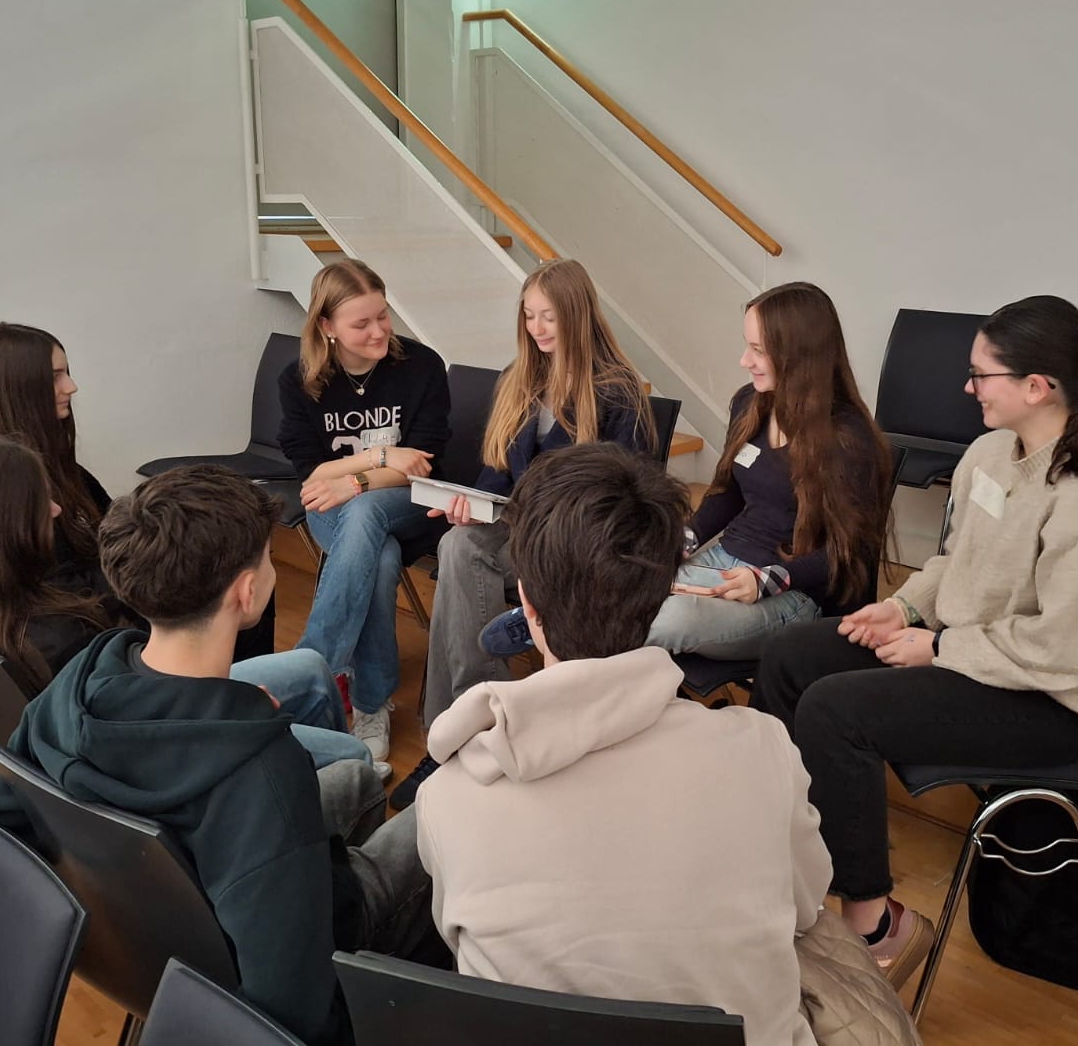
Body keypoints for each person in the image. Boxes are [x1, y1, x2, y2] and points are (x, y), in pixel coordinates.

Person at [751, 294, 1078, 988]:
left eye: (981, 375)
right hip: (976, 656)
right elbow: (955, 561)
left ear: (1037, 386)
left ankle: (875, 927)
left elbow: (1069, 654)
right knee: (792, 656)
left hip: (1054, 702)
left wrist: (938, 649)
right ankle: (782, 864)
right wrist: (903, 608)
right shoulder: (991, 453)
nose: (969, 389)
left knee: (836, 712)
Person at [0, 465, 437, 1045]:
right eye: (268, 559)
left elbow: (6, 819)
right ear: (246, 592)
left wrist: (235, 708)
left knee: (355, 776)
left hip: (141, 937)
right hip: (282, 948)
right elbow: (292, 1007)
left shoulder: (81, 676)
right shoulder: (263, 777)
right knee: (442, 811)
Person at [415, 444, 832, 1046]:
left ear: (526, 603)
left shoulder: (447, 798)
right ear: (665, 593)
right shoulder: (764, 749)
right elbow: (807, 905)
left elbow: (459, 947)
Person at [0, 436, 372, 772]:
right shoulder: (60, 639)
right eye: (40, 501)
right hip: (162, 743)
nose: (57, 509)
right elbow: (141, 736)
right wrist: (231, 709)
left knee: (309, 667)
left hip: (149, 713)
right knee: (355, 760)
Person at [391, 258, 654, 808]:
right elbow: (497, 474)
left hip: (580, 544)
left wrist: (531, 514)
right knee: (458, 541)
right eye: (529, 315)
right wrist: (471, 505)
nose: (537, 328)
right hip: (519, 530)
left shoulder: (617, 391)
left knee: (462, 555)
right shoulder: (522, 378)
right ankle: (460, 733)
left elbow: (624, 496)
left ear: (577, 315)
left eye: (549, 316)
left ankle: (466, 731)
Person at [0, 321, 276, 660]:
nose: (71, 387)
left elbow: (110, 522)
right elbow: (62, 581)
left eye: (66, 372)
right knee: (237, 572)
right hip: (87, 633)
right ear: (17, 387)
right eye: (54, 376)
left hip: (83, 615)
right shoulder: (2, 477)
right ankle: (240, 682)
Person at [645, 282, 893, 662]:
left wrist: (768, 579)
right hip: (725, 564)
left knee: (665, 619)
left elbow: (848, 553)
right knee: (611, 591)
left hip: (794, 593)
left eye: (759, 350)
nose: (744, 361)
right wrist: (684, 539)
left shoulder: (848, 438)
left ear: (799, 355)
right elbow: (729, 493)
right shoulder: (749, 403)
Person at [277, 259, 451, 766]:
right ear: (327, 326)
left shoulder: (421, 366)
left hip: (410, 502)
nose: (379, 331)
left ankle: (309, 672)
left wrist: (353, 480)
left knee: (367, 512)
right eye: (361, 323)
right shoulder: (299, 380)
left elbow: (421, 465)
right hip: (331, 506)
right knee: (379, 556)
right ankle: (372, 703)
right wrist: (381, 456)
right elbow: (312, 473)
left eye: (383, 315)